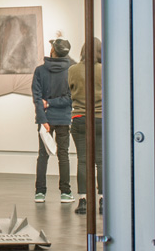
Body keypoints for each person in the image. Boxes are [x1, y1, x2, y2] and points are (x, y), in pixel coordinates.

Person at [32, 37, 74, 203]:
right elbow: (70, 98)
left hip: (46, 119)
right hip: (63, 118)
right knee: (63, 155)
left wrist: (44, 116)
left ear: (53, 51)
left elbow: (37, 98)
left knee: (43, 155)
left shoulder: (40, 71)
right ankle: (65, 192)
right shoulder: (71, 70)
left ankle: (40, 192)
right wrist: (55, 103)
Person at [69, 38, 103, 214]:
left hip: (80, 118)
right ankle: (103, 200)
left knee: (83, 160)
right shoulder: (105, 70)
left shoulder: (73, 70)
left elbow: (69, 90)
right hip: (100, 119)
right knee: (101, 161)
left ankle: (82, 200)